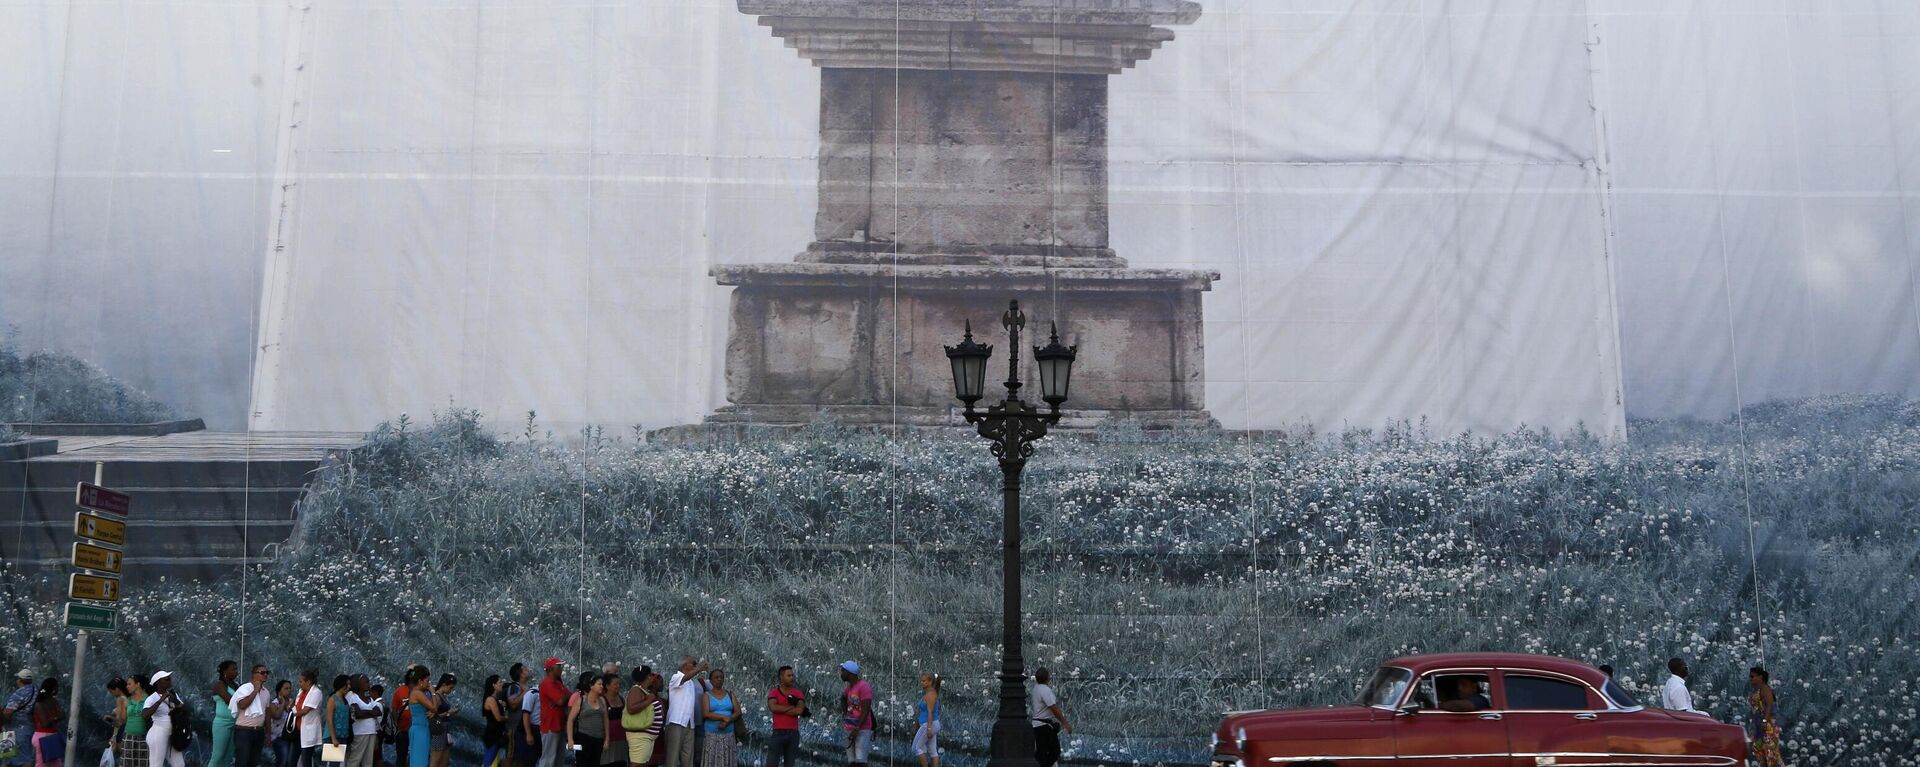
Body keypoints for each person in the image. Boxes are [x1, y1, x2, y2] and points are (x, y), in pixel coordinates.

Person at [660, 658, 705, 767]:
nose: (696, 665)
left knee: (688, 757)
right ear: (685, 665)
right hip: (676, 722)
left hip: (689, 723)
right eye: (694, 663)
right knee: (672, 757)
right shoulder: (676, 677)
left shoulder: (691, 682)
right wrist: (699, 669)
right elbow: (684, 678)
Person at [230, 664, 274, 767]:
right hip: (244, 731)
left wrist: (268, 733)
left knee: (253, 762)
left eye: (267, 672)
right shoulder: (245, 688)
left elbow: (267, 714)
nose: (265, 675)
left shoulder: (266, 692)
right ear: (254, 674)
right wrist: (255, 691)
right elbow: (242, 705)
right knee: (242, 762)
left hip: (259, 731)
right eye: (262, 673)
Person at [142, 672, 187, 767]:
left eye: (170, 678)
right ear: (158, 682)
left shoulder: (173, 694)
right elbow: (145, 714)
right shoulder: (152, 698)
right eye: (166, 679)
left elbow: (183, 709)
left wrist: (174, 700)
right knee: (156, 765)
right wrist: (160, 700)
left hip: (173, 733)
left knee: (179, 764)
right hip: (158, 732)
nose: (169, 680)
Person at [695, 670, 737, 767]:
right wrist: (723, 717)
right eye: (716, 677)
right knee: (712, 761)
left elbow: (737, 712)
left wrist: (728, 720)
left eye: (721, 677)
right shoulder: (706, 695)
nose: (719, 679)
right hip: (712, 735)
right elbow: (705, 714)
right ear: (710, 680)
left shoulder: (730, 694)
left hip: (728, 735)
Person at [620, 670, 662, 767]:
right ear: (647, 677)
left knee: (642, 764)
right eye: (651, 675)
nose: (653, 677)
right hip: (640, 736)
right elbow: (631, 708)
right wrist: (649, 700)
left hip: (647, 736)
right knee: (636, 765)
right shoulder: (636, 690)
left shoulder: (645, 690)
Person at [764, 667, 804, 767]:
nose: (792, 678)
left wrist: (781, 708)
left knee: (789, 764)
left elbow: (799, 710)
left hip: (793, 734)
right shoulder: (774, 692)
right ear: (781, 677)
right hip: (778, 733)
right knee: (771, 763)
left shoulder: (798, 693)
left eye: (792, 675)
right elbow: (773, 707)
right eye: (788, 675)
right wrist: (791, 707)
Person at [1029, 667, 1069, 767]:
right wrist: (1065, 723)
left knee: (1040, 754)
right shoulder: (1045, 690)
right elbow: (1054, 708)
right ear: (1048, 678)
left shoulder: (1036, 689)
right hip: (1044, 726)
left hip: (1037, 725)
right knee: (1055, 752)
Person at [566, 673, 607, 767]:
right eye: (599, 684)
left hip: (599, 738)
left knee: (595, 762)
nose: (602, 686)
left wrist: (607, 738)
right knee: (583, 763)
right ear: (591, 686)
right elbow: (570, 720)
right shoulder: (581, 700)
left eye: (602, 684)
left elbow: (606, 720)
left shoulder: (602, 700)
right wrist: (570, 739)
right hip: (584, 736)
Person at [838, 662, 873, 767]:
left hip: (861, 729)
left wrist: (857, 728)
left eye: (843, 671)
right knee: (852, 762)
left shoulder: (863, 686)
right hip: (849, 727)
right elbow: (843, 698)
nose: (841, 673)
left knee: (861, 762)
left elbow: (866, 710)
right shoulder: (849, 688)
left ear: (850, 673)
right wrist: (846, 714)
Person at [1748, 666, 1783, 767]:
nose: (1750, 678)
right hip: (1758, 724)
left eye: (1752, 676)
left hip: (1767, 725)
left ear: (1760, 677)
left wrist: (1764, 720)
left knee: (1771, 752)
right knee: (1758, 749)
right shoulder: (1757, 690)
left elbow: (1770, 704)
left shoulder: (1765, 688)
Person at [537, 660, 569, 767]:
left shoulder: (558, 683)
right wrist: (563, 697)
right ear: (551, 669)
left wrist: (563, 698)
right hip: (550, 725)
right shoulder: (547, 683)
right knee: (548, 759)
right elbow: (561, 700)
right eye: (558, 667)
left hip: (559, 725)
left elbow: (570, 696)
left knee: (559, 758)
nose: (561, 669)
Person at [346, 676, 381, 767]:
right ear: (358, 684)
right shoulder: (352, 696)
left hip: (371, 732)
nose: (368, 684)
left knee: (368, 761)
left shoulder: (369, 698)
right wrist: (371, 712)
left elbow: (378, 712)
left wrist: (365, 712)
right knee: (355, 759)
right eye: (366, 682)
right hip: (360, 732)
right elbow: (358, 714)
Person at [212, 662, 241, 767]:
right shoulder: (220, 684)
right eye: (233, 669)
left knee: (228, 757)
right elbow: (229, 700)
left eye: (236, 669)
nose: (236, 672)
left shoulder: (236, 685)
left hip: (234, 723)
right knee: (218, 756)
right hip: (222, 724)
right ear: (225, 671)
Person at [295, 671, 324, 767]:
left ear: (308, 682)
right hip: (298, 729)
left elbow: (306, 710)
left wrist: (293, 714)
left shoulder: (316, 692)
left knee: (306, 757)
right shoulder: (301, 692)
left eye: (301, 681)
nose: (299, 684)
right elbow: (297, 706)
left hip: (308, 730)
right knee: (296, 757)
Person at [30, 679, 62, 767]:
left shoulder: (53, 701)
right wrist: (55, 718)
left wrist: (53, 718)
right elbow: (45, 723)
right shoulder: (40, 704)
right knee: (45, 764)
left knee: (54, 764)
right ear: (53, 689)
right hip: (44, 736)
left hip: (48, 736)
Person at [5, 671, 34, 767]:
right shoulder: (35, 691)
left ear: (20, 680)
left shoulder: (20, 693)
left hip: (13, 729)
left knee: (6, 757)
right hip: (28, 728)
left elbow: (8, 712)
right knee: (26, 756)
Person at [428, 675, 458, 767]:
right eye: (450, 688)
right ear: (444, 685)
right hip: (439, 730)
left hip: (445, 731)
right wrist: (448, 712)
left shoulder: (442, 696)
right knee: (436, 761)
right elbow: (432, 716)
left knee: (444, 761)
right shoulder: (436, 696)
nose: (451, 691)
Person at [405, 669, 433, 767]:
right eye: (427, 680)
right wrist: (433, 692)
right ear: (420, 681)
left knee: (421, 760)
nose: (429, 683)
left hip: (422, 729)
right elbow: (434, 707)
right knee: (419, 761)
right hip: (419, 730)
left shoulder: (420, 692)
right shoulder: (417, 693)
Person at [913, 673, 941, 767]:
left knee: (915, 748)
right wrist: (917, 725)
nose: (922, 683)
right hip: (929, 724)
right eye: (921, 681)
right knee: (933, 751)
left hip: (929, 724)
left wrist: (929, 728)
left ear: (930, 682)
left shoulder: (931, 694)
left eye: (924, 681)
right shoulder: (929, 693)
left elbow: (930, 712)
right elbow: (922, 712)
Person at [122, 675, 150, 767]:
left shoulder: (148, 699)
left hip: (144, 738)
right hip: (128, 737)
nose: (127, 686)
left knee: (143, 764)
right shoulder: (128, 700)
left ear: (138, 684)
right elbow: (124, 719)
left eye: (129, 684)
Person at [481, 676, 508, 767]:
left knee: (495, 761)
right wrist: (508, 718)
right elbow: (498, 718)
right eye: (500, 682)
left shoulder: (495, 700)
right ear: (494, 685)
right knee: (490, 761)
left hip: (497, 734)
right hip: (492, 735)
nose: (502, 684)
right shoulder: (490, 700)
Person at [269, 680, 296, 767]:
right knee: (282, 760)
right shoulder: (274, 703)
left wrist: (290, 706)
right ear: (279, 690)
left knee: (290, 761)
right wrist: (283, 703)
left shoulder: (292, 702)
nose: (288, 690)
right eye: (286, 688)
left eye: (289, 688)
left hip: (290, 736)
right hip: (278, 737)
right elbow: (276, 716)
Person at [600, 675, 625, 767]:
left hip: (621, 737)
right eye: (615, 684)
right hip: (609, 737)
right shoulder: (602, 699)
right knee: (607, 762)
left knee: (620, 762)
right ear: (607, 686)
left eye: (619, 683)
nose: (618, 686)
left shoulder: (621, 699)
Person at [517, 678, 541, 767]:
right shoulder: (532, 694)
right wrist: (529, 734)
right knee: (529, 759)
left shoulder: (545, 694)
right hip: (532, 729)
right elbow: (526, 714)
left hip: (541, 731)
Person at [326, 676, 352, 752]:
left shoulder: (344, 699)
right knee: (334, 761)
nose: (349, 687)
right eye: (347, 684)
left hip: (343, 735)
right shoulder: (333, 699)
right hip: (334, 735)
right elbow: (329, 720)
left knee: (339, 760)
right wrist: (333, 738)